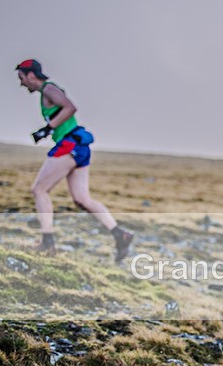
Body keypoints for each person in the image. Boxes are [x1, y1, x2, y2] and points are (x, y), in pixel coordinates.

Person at [15, 59, 133, 261]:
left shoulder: (48, 89)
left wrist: (48, 128)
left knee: (39, 190)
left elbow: (70, 107)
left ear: (31, 75)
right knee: (82, 199)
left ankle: (47, 243)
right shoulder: (47, 92)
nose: (22, 83)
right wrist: (49, 130)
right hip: (80, 146)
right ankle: (120, 234)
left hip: (70, 145)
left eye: (22, 78)